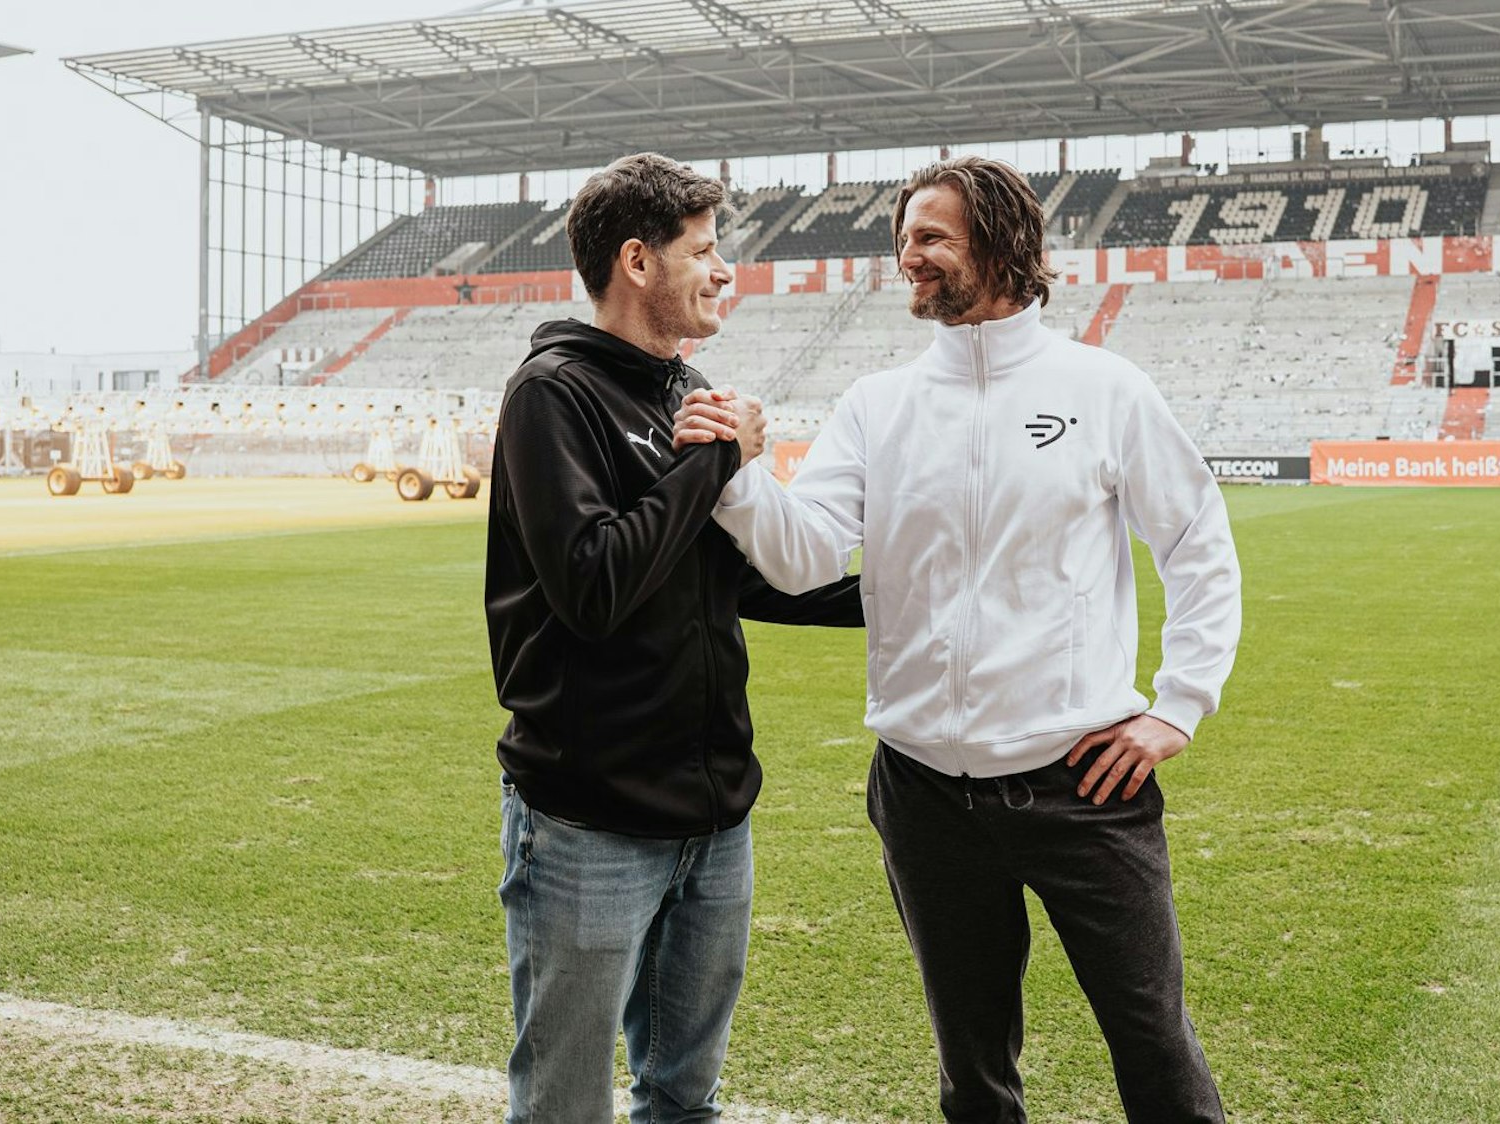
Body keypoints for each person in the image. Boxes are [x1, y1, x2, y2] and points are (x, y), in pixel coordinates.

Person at [677, 156, 1241, 1123]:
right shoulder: (878, 404)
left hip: (1083, 785)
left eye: (931, 238)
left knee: (1154, 1047)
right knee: (974, 1072)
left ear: (1005, 245)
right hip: (923, 793)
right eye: (904, 239)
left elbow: (1196, 546)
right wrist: (739, 473)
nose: (910, 257)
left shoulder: (1104, 388)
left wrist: (1178, 706)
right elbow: (805, 555)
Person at [485, 151, 862, 1124]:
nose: (725, 268)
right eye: (703, 249)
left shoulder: (679, 386)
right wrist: (716, 462)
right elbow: (596, 585)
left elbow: (721, 576)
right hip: (588, 820)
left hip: (712, 815)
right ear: (636, 261)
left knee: (684, 1099)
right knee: (565, 1106)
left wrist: (905, 596)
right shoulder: (551, 394)